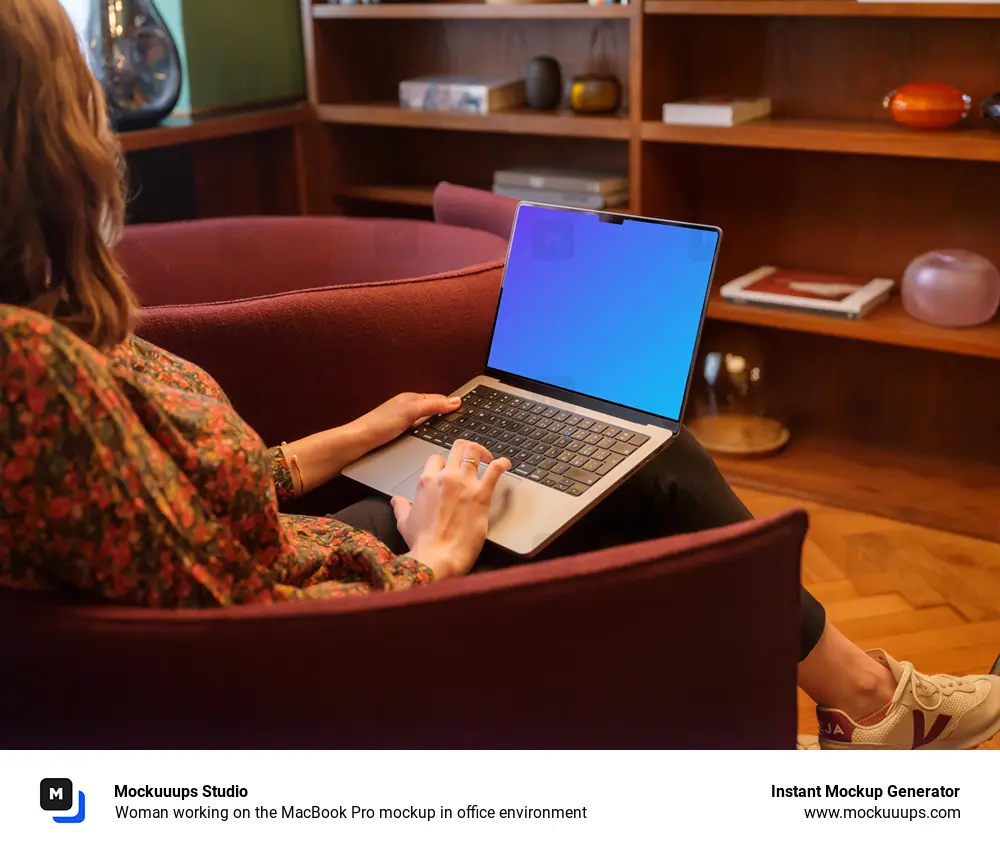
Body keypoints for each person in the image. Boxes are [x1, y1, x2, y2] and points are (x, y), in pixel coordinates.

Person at [1, 0, 998, 751]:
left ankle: (862, 696)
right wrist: (429, 560)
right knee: (649, 467)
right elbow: (221, 642)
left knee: (596, 456)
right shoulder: (26, 367)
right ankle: (874, 702)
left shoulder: (42, 321)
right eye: (79, 79)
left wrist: (356, 433)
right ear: (46, 129)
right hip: (319, 622)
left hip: (287, 555)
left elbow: (170, 509)